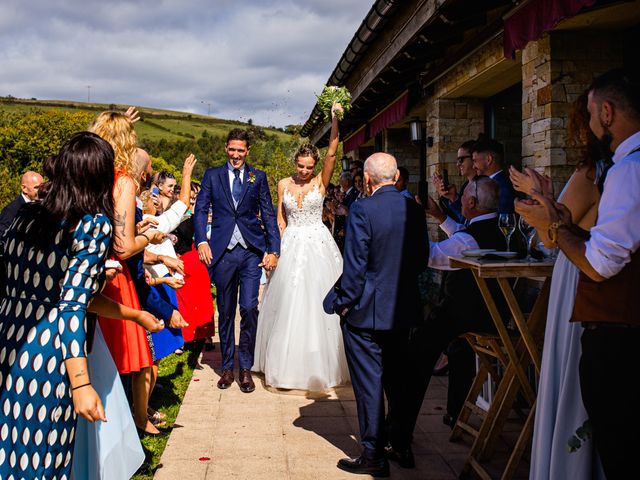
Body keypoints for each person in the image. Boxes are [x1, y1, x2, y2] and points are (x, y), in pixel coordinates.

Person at [516, 69, 640, 480]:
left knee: (612, 431)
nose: (585, 126)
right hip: (601, 294)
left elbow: (600, 260)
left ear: (605, 114)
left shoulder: (622, 171)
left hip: (605, 304)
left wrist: (549, 220)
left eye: (588, 116)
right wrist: (549, 207)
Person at [0, 132, 116, 479]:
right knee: (43, 461)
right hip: (47, 354)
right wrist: (81, 384)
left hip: (8, 337)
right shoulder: (93, 225)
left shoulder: (27, 216)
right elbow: (71, 306)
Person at [513, 93, 606, 480]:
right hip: (584, 267)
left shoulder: (594, 172)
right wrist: (545, 197)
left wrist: (533, 205)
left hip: (581, 273)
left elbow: (554, 232)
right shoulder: (607, 170)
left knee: (572, 368)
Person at [324, 152, 428, 476]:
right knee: (398, 380)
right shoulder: (414, 208)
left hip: (367, 311)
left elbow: (355, 268)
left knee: (370, 383)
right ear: (396, 178)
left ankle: (373, 454)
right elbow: (422, 259)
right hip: (404, 309)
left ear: (367, 180)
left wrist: (342, 302)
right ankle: (400, 444)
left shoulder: (362, 209)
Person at [253, 102, 349, 391]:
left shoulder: (321, 181)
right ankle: (285, 365)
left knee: (318, 303)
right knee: (287, 303)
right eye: (301, 166)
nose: (305, 171)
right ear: (295, 162)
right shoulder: (282, 183)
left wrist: (335, 119)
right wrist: (274, 252)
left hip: (318, 244)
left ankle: (320, 364)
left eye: (309, 167)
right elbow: (280, 221)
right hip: (292, 242)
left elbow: (332, 149)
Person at [403, 176, 507, 438]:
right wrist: (439, 215)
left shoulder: (470, 240)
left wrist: (405, 230)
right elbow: (461, 234)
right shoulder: (495, 228)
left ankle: (401, 424)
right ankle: (456, 412)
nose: (459, 199)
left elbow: (433, 255)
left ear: (471, 202)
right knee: (459, 350)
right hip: (494, 313)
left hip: (466, 314)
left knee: (418, 349)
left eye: (463, 195)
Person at [194, 128, 280, 393]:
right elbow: (200, 210)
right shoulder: (212, 176)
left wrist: (274, 249)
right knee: (227, 310)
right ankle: (227, 368)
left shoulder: (258, 177)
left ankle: (245, 368)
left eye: (240, 150)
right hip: (222, 252)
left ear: (247, 151)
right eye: (232, 149)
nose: (235, 155)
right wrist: (202, 240)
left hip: (251, 251)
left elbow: (268, 214)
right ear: (226, 149)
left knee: (249, 308)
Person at [433, 140, 476, 223]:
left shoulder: (484, 186)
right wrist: (453, 197)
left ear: (474, 158)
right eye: (457, 160)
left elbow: (468, 223)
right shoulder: (466, 185)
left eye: (461, 159)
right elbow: (461, 220)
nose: (458, 164)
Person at [472, 136, 515, 214]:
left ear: (489, 159)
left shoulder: (503, 188)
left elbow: (503, 222)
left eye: (475, 161)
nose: (473, 166)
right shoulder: (494, 183)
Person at [0, 170, 43, 236]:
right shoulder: (11, 210)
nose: (41, 191)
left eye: (42, 187)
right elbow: (2, 237)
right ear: (24, 188)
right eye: (37, 187)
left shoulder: (42, 206)